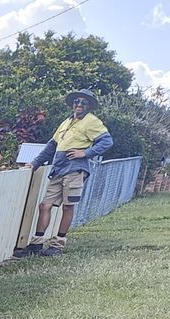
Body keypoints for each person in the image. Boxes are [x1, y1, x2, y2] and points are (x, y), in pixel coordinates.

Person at [23, 88, 113, 255]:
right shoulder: (66, 122)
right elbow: (52, 145)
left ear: (89, 106)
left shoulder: (92, 122)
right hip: (58, 169)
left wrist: (85, 153)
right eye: (76, 102)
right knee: (45, 205)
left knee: (67, 207)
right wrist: (35, 163)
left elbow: (107, 141)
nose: (79, 105)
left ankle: (57, 245)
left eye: (83, 102)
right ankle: (36, 245)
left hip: (75, 170)